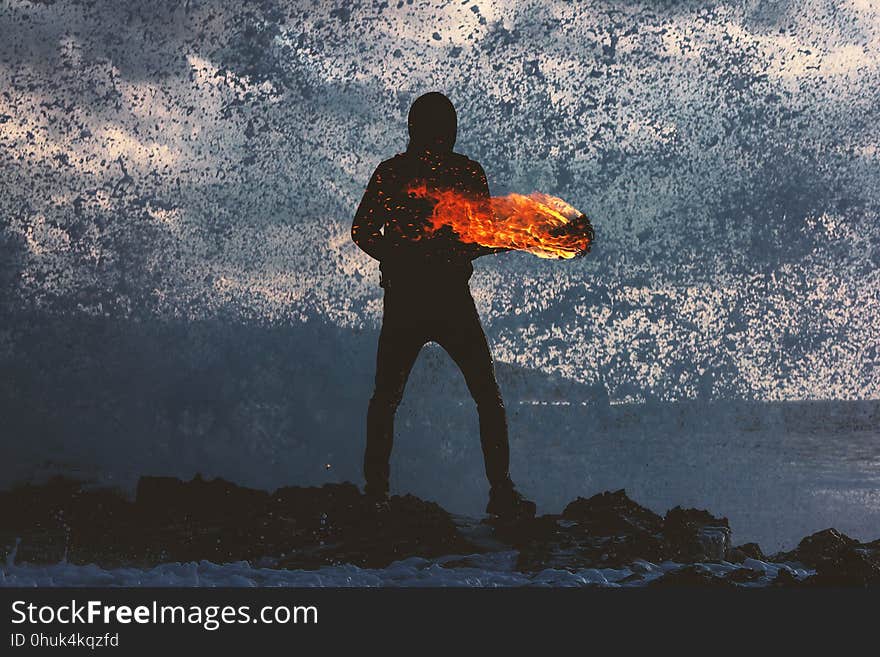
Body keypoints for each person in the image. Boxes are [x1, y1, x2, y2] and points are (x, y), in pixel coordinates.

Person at [351, 92, 536, 519]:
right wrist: (400, 255)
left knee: (464, 395)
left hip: (446, 298)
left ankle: (381, 492)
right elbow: (363, 230)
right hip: (414, 299)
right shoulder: (396, 174)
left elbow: (480, 237)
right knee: (398, 397)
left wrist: (512, 238)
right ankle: (381, 492)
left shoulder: (455, 173)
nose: (441, 138)